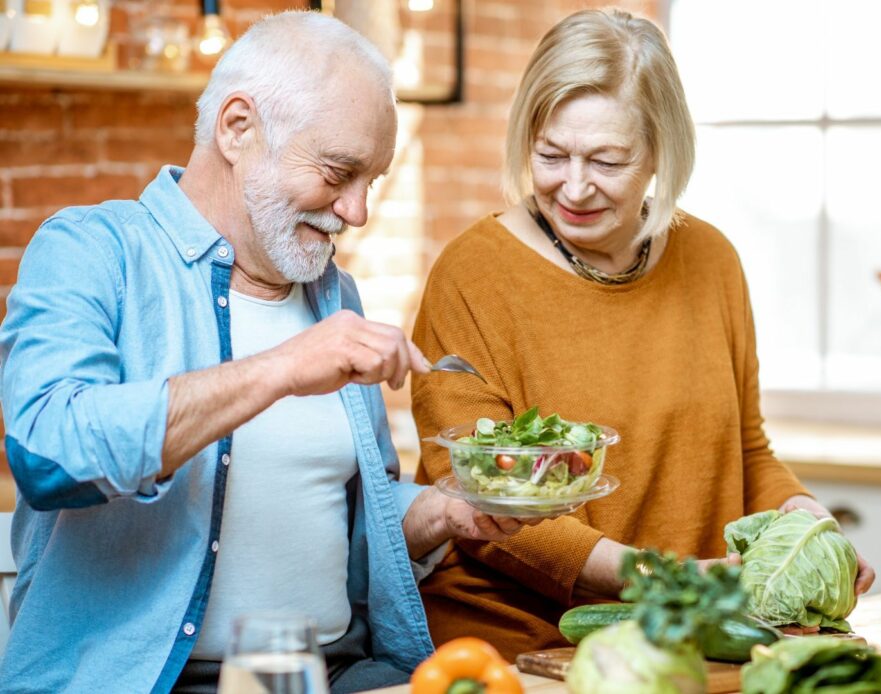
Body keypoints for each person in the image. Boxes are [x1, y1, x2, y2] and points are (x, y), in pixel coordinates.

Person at [0, 11, 534, 693]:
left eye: (372, 181)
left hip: (340, 672)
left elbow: (334, 532)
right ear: (237, 127)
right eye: (339, 172)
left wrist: (446, 513)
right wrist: (280, 369)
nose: (358, 211)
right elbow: (49, 453)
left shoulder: (332, 296)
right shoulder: (91, 251)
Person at [410, 8, 877, 659]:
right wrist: (658, 578)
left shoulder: (712, 260)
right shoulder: (472, 275)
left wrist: (808, 527)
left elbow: (747, 451)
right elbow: (477, 500)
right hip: (521, 647)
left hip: (687, 636)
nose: (573, 186)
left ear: (661, 151)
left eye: (607, 160)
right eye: (550, 154)